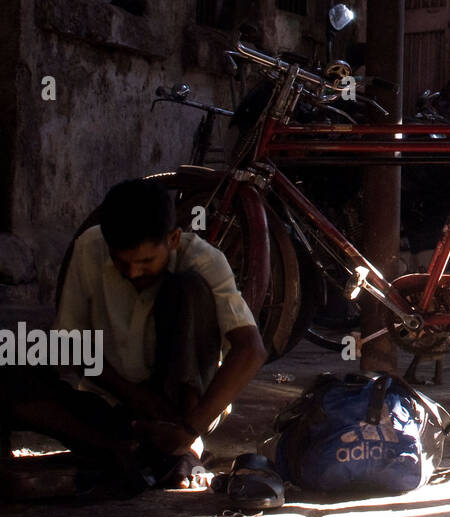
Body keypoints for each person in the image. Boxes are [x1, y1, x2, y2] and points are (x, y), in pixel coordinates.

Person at [0, 179, 267, 493]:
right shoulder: (90, 246)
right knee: (10, 360)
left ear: (173, 238)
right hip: (112, 403)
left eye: (145, 262)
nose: (133, 273)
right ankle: (121, 450)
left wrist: (188, 427)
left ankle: (173, 449)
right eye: (121, 262)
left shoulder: (205, 260)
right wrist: (136, 397)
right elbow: (70, 347)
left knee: (186, 288)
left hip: (179, 413)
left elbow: (251, 350)